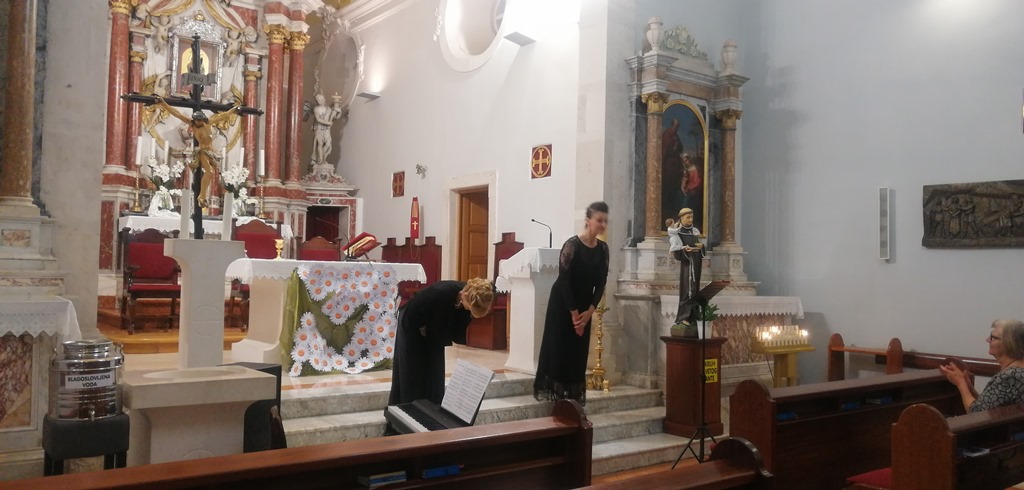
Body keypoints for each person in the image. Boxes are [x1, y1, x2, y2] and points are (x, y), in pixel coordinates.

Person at [534, 202, 610, 406]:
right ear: (588, 221)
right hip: (563, 303)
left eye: (605, 221)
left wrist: (590, 311)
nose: (603, 224)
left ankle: (573, 400)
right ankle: (558, 398)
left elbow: (601, 282)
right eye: (599, 220)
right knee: (560, 348)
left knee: (578, 352)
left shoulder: (603, 249)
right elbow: (564, 281)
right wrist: (575, 314)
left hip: (585, 306)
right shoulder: (572, 245)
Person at [388, 278, 494, 406]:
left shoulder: (468, 297)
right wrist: (423, 329)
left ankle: (432, 407)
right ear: (466, 297)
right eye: (470, 309)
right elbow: (415, 318)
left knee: (435, 372)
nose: (469, 312)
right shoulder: (440, 293)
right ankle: (409, 408)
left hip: (432, 331)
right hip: (411, 325)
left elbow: (452, 330)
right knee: (413, 373)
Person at [156, 96, 240, 206]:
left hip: (211, 152)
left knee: (212, 174)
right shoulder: (192, 125)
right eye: (196, 120)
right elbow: (177, 114)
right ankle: (202, 196)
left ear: (203, 119)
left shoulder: (209, 122)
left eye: (199, 120)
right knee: (209, 172)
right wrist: (163, 103)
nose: (197, 122)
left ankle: (203, 195)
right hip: (202, 151)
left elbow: (223, 115)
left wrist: (233, 110)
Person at [940, 319, 1024, 413]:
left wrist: (960, 383)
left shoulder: (1010, 376)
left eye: (993, 337)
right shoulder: (1015, 371)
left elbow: (977, 413)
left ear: (1009, 343)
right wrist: (969, 387)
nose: (987, 340)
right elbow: (985, 405)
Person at [672, 208, 705, 337]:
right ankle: (683, 317)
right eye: (688, 217)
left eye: (692, 217)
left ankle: (693, 317)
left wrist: (702, 247)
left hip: (696, 262)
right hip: (687, 264)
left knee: (695, 289)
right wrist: (685, 250)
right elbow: (676, 252)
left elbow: (700, 246)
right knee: (687, 290)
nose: (691, 220)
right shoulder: (677, 231)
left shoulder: (694, 231)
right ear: (681, 218)